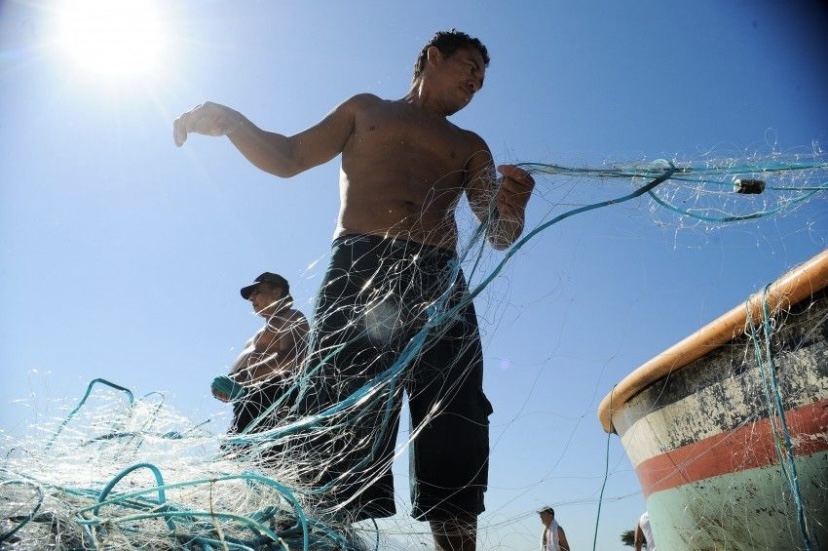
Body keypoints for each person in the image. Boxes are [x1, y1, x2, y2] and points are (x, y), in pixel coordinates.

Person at [175, 30, 534, 551]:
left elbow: (497, 234)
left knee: (455, 409)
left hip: (440, 278)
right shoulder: (366, 109)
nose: (477, 81)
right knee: (343, 401)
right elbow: (288, 156)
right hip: (359, 266)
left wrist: (514, 206)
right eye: (469, 66)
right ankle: (322, 537)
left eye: (482, 77)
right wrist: (232, 122)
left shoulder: (471, 145)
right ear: (432, 58)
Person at [212, 272, 309, 458]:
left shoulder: (290, 316)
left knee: (240, 459)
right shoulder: (257, 334)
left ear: (277, 292)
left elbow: (294, 355)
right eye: (250, 295)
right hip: (249, 403)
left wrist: (244, 376)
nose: (251, 298)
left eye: (257, 292)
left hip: (275, 402)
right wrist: (226, 387)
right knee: (236, 458)